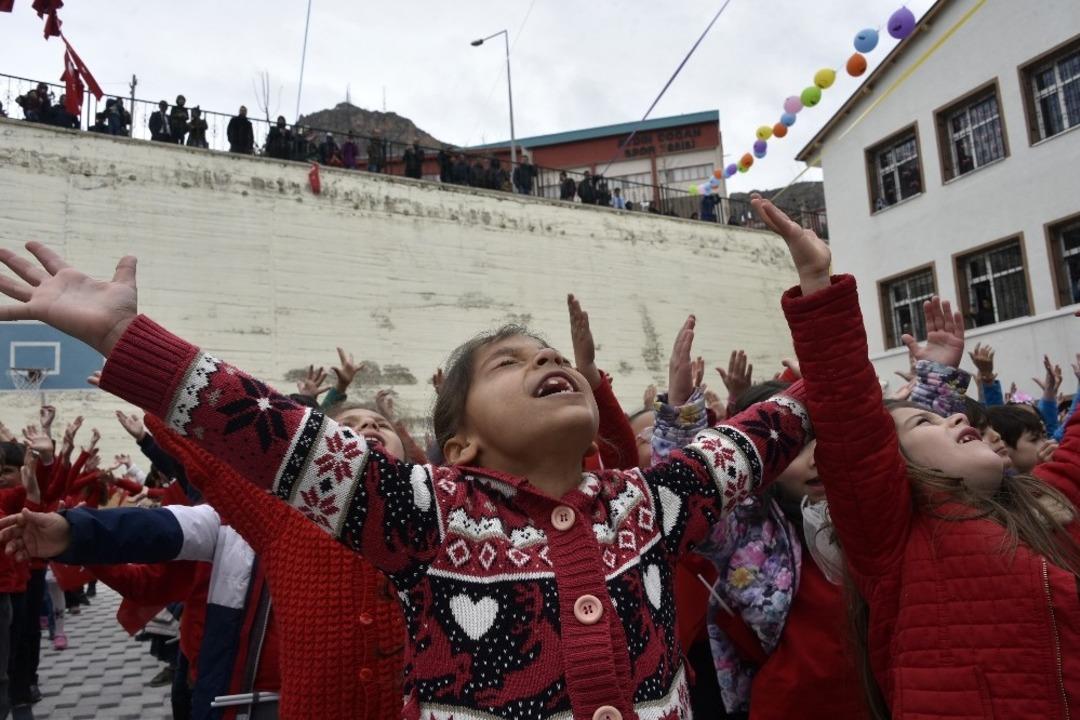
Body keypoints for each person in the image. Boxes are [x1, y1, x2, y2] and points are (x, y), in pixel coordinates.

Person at [0, 242, 816, 720]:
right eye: (511, 361)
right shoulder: (423, 511)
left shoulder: (655, 501)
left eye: (554, 358)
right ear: (456, 443)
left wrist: (828, 314)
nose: (547, 362)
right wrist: (122, 335)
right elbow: (264, 426)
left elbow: (781, 424)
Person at [749, 194, 1080, 719]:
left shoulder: (1049, 505)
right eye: (929, 420)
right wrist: (817, 284)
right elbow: (851, 415)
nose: (959, 418)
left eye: (950, 415)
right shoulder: (896, 541)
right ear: (894, 471)